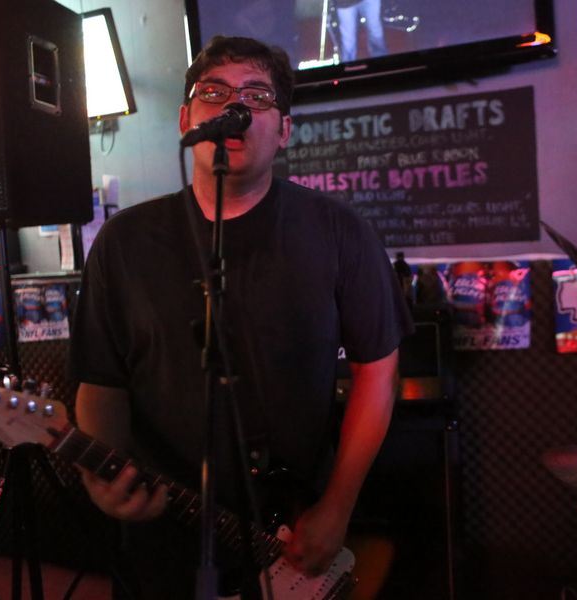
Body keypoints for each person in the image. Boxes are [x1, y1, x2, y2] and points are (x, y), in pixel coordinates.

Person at [71, 35, 412, 599]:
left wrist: (338, 506)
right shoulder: (123, 241)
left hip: (291, 529)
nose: (234, 107)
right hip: (165, 532)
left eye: (256, 96)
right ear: (186, 119)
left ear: (283, 130)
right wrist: (100, 474)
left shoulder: (339, 231)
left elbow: (378, 370)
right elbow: (101, 380)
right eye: (214, 92)